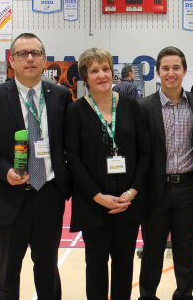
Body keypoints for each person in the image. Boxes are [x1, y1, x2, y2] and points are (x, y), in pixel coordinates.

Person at [0, 33, 72, 300]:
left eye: (35, 53)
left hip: (48, 195)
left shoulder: (59, 95)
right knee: (7, 272)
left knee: (48, 269)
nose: (29, 58)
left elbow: (69, 144)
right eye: (22, 54)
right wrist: (4, 171)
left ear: (44, 59)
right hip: (7, 196)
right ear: (11, 61)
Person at [65, 48, 150, 299]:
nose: (101, 75)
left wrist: (132, 191)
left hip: (128, 203)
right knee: (96, 267)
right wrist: (97, 195)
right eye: (94, 71)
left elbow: (145, 153)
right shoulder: (76, 110)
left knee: (124, 267)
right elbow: (74, 158)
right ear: (85, 77)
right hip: (93, 204)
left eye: (105, 69)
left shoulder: (132, 106)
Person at [138, 46, 193, 300]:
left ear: (185, 71)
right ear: (157, 73)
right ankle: (147, 295)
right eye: (165, 68)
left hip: (188, 188)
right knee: (153, 249)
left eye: (176, 68)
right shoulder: (144, 107)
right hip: (156, 189)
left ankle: (184, 295)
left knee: (184, 248)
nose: (171, 73)